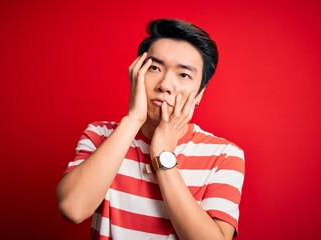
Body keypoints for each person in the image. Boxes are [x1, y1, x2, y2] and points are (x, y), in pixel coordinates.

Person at [56, 18, 245, 240]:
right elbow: (73, 209)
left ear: (200, 93)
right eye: (154, 68)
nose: (164, 85)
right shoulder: (101, 135)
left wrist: (163, 154)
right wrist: (133, 119)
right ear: (136, 73)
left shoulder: (223, 155)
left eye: (183, 75)